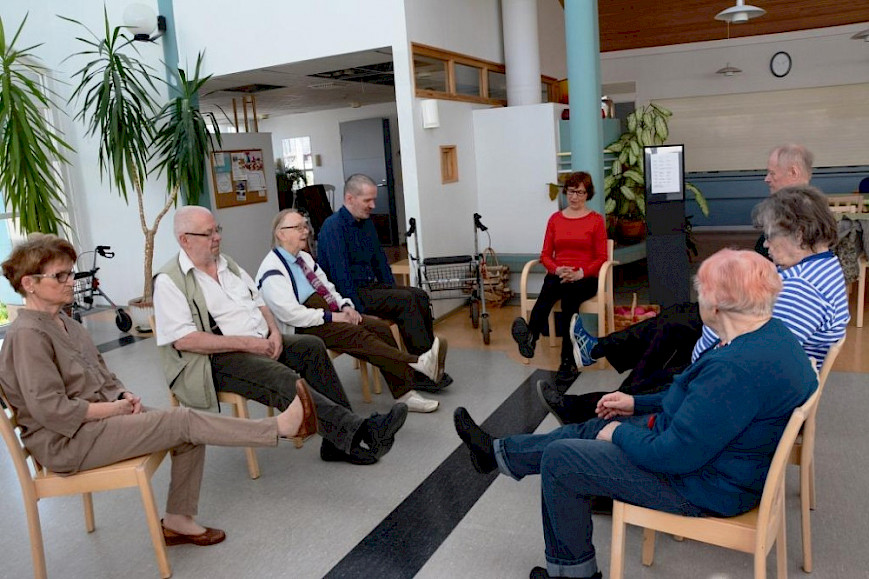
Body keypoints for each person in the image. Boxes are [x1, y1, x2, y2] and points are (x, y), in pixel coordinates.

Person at [455, 248, 818, 579]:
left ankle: (572, 574)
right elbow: (701, 404)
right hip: (720, 466)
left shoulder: (734, 369)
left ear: (720, 306)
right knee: (596, 426)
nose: (699, 301)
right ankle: (498, 454)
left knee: (562, 462)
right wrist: (636, 403)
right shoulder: (773, 337)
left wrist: (620, 433)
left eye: (703, 293)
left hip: (702, 486)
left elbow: (674, 455)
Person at [0, 234, 320, 546]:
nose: (71, 281)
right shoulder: (27, 335)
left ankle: (178, 520)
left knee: (188, 429)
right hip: (67, 442)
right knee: (182, 422)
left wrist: (121, 396)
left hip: (97, 422)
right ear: (29, 283)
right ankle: (278, 428)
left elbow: (103, 375)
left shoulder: (67, 323)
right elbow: (51, 410)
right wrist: (113, 409)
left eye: (71, 273)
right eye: (61, 276)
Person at [547, 184, 848, 426]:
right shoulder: (819, 265)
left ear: (799, 234)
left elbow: (757, 354)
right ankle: (598, 397)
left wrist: (703, 354)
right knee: (674, 325)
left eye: (770, 236)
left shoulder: (802, 290)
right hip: (753, 374)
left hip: (752, 393)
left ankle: (598, 409)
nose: (766, 245)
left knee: (668, 363)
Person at [154, 206, 407, 466]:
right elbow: (185, 340)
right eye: (208, 233)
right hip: (214, 359)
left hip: (260, 340)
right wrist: (249, 344)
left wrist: (274, 333)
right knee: (280, 376)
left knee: (311, 347)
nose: (217, 237)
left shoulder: (227, 264)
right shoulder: (169, 281)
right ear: (185, 239)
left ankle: (336, 442)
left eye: (217, 230)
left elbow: (260, 302)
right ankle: (360, 431)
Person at [257, 209, 446, 413]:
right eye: (298, 228)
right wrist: (333, 316)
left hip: (325, 312)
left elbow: (327, 288)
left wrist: (344, 306)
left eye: (305, 226)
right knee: (356, 333)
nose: (305, 232)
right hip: (302, 326)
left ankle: (405, 394)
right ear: (281, 234)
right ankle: (418, 363)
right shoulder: (272, 270)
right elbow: (291, 315)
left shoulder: (304, 259)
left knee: (380, 329)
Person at [317, 174, 449, 384]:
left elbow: (380, 262)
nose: (373, 205)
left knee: (420, 295)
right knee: (405, 301)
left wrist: (392, 290)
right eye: (367, 200)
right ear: (350, 199)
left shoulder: (366, 223)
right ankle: (420, 372)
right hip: (349, 295)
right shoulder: (332, 228)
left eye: (374, 199)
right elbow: (341, 277)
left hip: (371, 287)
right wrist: (356, 310)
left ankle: (429, 362)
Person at [510, 171, 608, 384]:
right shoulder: (555, 219)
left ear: (587, 194)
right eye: (571, 191)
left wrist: (580, 272)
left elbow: (602, 257)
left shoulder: (596, 220)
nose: (574, 197)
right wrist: (557, 269)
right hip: (560, 274)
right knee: (551, 285)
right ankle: (532, 338)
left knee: (570, 295)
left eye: (579, 192)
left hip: (586, 277)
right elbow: (545, 255)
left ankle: (566, 359)